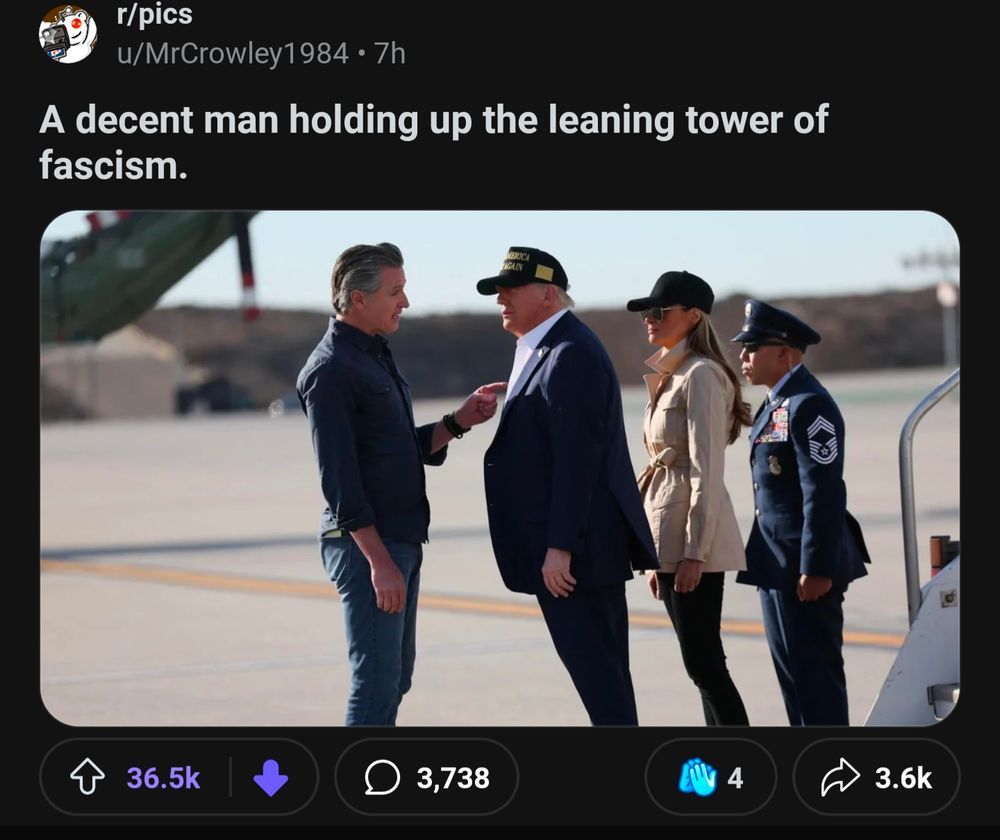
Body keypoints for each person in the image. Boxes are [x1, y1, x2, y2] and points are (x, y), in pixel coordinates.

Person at [296, 242, 503, 726]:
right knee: (375, 684)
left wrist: (457, 421)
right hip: (369, 545)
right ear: (358, 298)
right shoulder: (331, 371)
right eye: (396, 291)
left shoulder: (373, 355)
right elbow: (339, 478)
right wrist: (379, 562)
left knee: (395, 679)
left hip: (398, 539)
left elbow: (392, 449)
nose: (405, 303)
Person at [477, 246, 658, 725]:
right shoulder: (546, 349)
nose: (501, 299)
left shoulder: (570, 353)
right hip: (577, 551)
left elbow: (578, 460)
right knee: (603, 683)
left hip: (578, 556)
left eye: (511, 290)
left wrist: (560, 546)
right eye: (498, 291)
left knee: (603, 685)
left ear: (549, 294)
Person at [732, 299, 870, 725]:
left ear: (782, 353)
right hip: (777, 563)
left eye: (751, 348)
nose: (743, 357)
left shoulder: (809, 404)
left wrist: (817, 567)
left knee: (815, 681)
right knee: (794, 680)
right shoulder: (778, 402)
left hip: (803, 569)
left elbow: (823, 492)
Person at [625, 270, 753, 726]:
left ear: (693, 315)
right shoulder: (670, 373)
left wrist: (694, 553)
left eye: (658, 311)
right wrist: (656, 556)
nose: (649, 319)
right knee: (699, 666)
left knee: (704, 663)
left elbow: (706, 469)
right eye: (646, 312)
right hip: (669, 534)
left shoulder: (700, 374)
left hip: (693, 536)